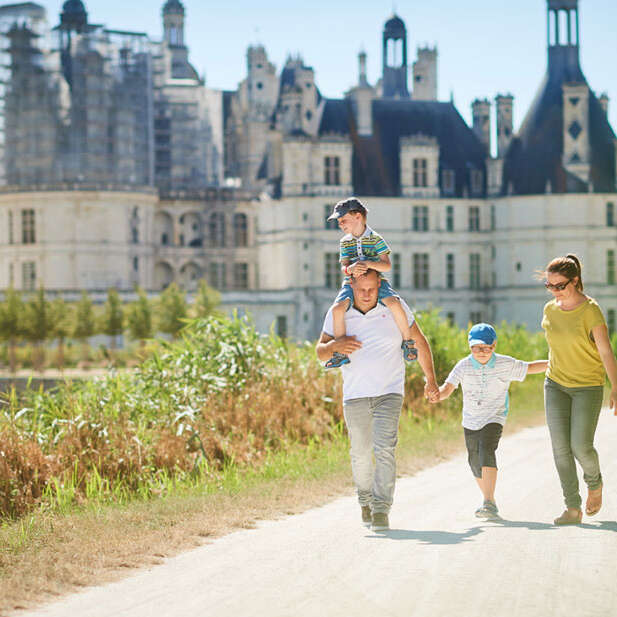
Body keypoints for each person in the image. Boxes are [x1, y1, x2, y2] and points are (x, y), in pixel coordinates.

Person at [316, 268, 439, 531]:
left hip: (389, 392)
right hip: (355, 395)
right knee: (360, 453)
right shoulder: (339, 310)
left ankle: (382, 508)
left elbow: (419, 341)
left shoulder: (394, 306)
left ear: (380, 285)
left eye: (372, 289)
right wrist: (336, 347)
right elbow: (320, 352)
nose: (367, 294)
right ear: (351, 286)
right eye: (361, 290)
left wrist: (430, 379)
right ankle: (365, 500)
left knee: (385, 449)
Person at [433, 323, 547, 519]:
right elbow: (448, 388)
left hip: (495, 416)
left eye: (487, 347)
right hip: (470, 419)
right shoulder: (464, 365)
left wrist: (555, 361)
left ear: (494, 345)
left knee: (486, 450)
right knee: (473, 460)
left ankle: (488, 501)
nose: (483, 352)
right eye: (478, 348)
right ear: (470, 347)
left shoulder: (504, 364)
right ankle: (489, 500)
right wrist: (438, 395)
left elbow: (529, 367)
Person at [540, 254, 617, 525]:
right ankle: (572, 507)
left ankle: (594, 484)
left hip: (588, 385)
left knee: (581, 446)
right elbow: (555, 349)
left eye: (560, 285)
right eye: (550, 286)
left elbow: (606, 351)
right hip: (556, 384)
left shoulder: (591, 310)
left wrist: (615, 386)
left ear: (575, 281)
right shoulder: (549, 310)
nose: (555, 291)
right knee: (560, 449)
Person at [323, 197, 417, 369]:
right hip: (352, 283)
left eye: (343, 220)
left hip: (377, 281)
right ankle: (341, 352)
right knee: (337, 309)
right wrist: (351, 269)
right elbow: (344, 267)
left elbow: (387, 265)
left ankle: (408, 342)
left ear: (357, 217)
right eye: (339, 222)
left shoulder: (375, 239)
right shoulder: (344, 242)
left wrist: (367, 264)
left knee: (395, 305)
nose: (341, 225)